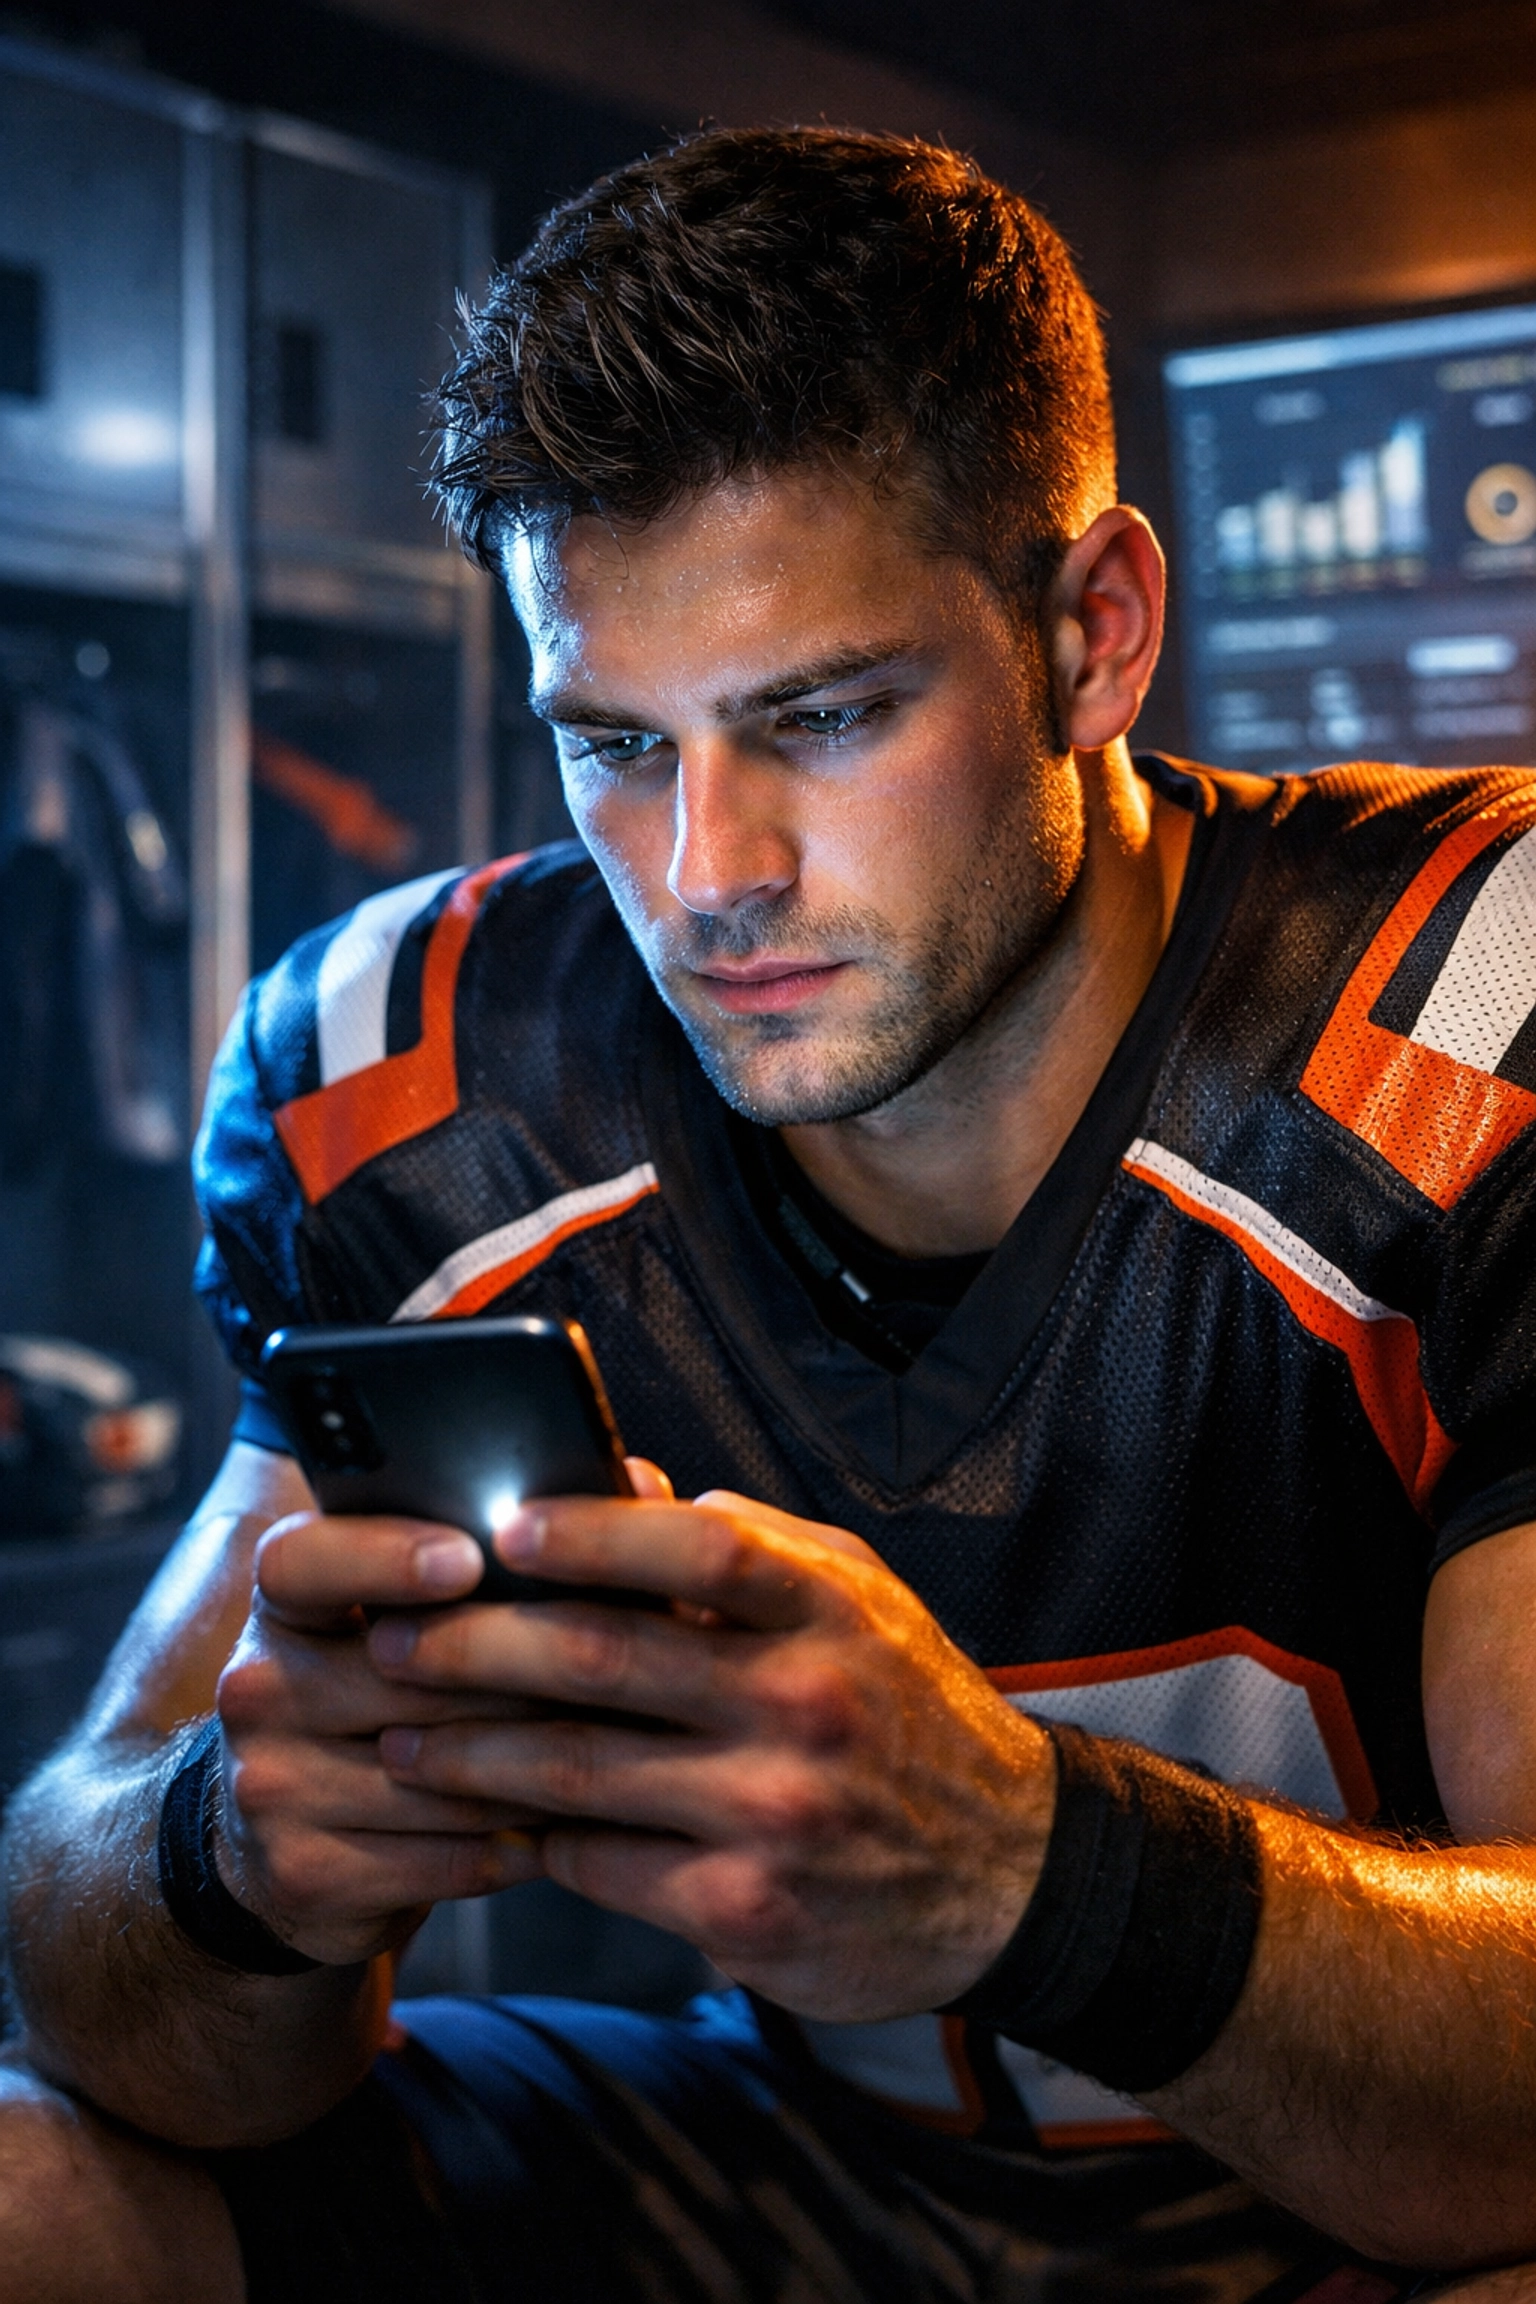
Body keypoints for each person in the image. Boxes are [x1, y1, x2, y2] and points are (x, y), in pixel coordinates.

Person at [6, 124, 1536, 2304]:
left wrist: (1032, 1867)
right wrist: (237, 1853)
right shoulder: (404, 1073)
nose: (705, 876)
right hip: (780, 2175)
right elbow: (95, 1981)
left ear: (1095, 636)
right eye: (616, 744)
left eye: (822, 717)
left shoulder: (1477, 1018)